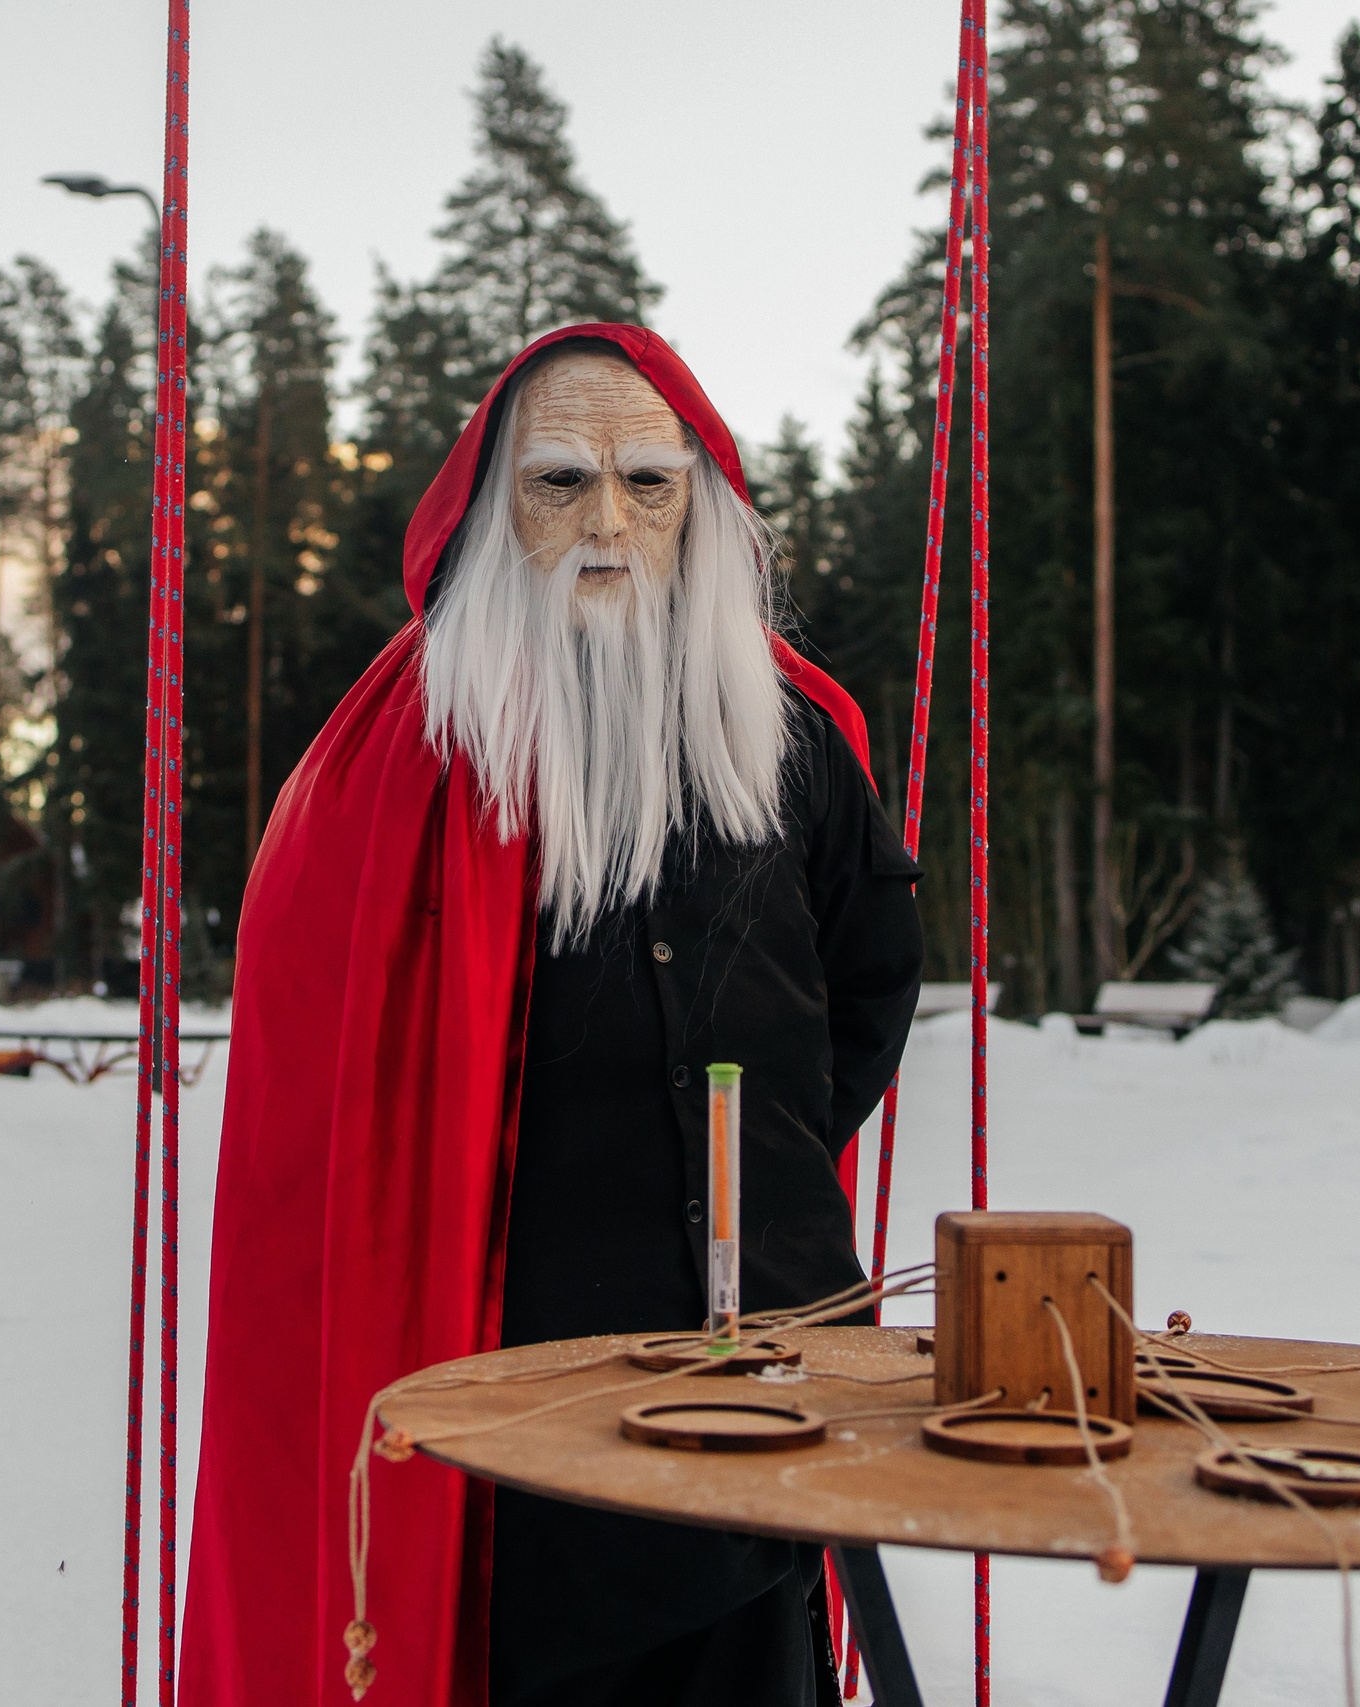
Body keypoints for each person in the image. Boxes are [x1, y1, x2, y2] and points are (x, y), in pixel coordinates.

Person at [182, 325, 924, 1707]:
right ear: (486, 508)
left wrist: (762, 1164)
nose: (607, 522)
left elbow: (868, 981)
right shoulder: (400, 762)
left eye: (649, 482)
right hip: (514, 1411)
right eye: (560, 480)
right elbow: (327, 1085)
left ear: (704, 504)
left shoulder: (794, 741)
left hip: (769, 1380)